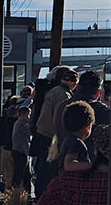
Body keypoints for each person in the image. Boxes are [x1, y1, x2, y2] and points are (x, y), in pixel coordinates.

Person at [32, 65, 77, 195]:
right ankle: (45, 196)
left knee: (42, 169)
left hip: (42, 131)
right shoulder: (63, 94)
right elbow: (61, 118)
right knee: (49, 170)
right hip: (52, 136)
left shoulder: (51, 90)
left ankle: (40, 195)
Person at [9, 105, 33, 193]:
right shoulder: (22, 124)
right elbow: (31, 132)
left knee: (26, 174)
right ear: (25, 114)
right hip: (21, 151)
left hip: (20, 151)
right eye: (29, 115)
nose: (29, 117)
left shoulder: (18, 123)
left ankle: (24, 192)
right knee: (19, 174)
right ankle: (16, 192)